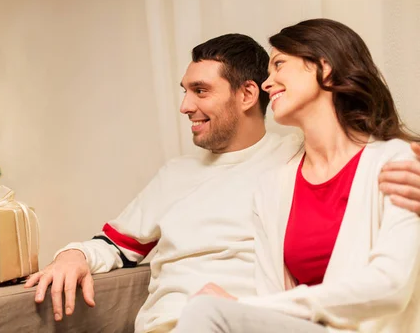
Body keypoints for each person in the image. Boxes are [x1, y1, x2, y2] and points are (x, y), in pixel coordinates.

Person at [25, 33, 420, 332]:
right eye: (185, 92)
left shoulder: (294, 158)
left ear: (248, 94)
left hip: (243, 320)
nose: (185, 106)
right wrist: (72, 256)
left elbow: (361, 145)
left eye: (201, 91)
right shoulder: (176, 175)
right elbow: (116, 245)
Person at [175, 19, 420, 332]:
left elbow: (389, 288)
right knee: (205, 309)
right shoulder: (272, 188)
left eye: (279, 64)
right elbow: (272, 306)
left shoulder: (396, 163)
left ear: (324, 67)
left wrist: (243, 307)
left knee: (208, 311)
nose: (267, 83)